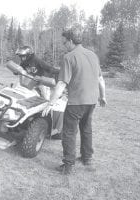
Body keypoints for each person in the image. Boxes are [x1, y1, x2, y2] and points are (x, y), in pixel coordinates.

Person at [42, 26, 107, 175]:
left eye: (64, 42)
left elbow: (61, 83)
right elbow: (100, 79)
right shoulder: (93, 55)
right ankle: (87, 158)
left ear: (70, 41)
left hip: (76, 102)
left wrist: (50, 102)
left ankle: (68, 165)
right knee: (86, 129)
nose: (64, 45)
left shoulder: (69, 57)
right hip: (91, 101)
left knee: (69, 132)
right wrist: (103, 97)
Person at [16, 46, 63, 139]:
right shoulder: (24, 62)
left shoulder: (36, 60)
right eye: (20, 56)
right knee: (20, 91)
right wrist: (16, 71)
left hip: (42, 81)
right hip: (30, 81)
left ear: (29, 55)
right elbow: (19, 69)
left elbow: (49, 68)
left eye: (23, 56)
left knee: (46, 100)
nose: (21, 58)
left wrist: (59, 72)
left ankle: (45, 120)